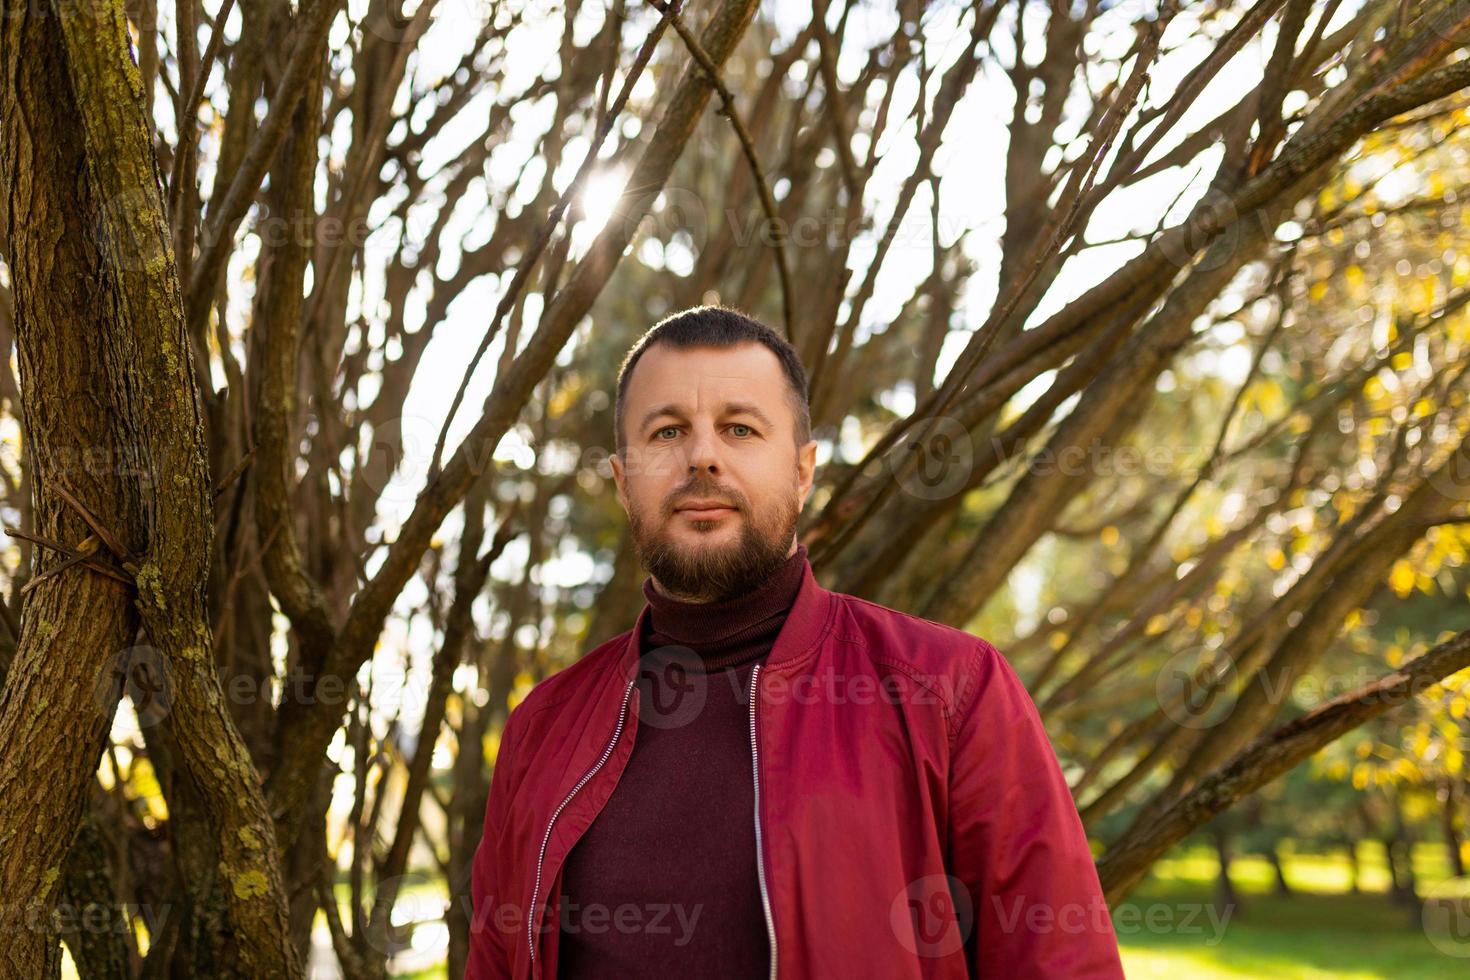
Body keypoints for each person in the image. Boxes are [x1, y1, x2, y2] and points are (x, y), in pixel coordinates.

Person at [466, 306, 1124, 979]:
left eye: (739, 428)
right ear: (623, 481)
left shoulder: (951, 690)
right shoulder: (543, 729)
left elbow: (1061, 963)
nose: (702, 457)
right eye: (667, 432)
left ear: (804, 471)